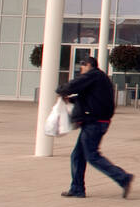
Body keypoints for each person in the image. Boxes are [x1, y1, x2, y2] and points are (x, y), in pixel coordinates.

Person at [55, 57, 133, 199]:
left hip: (94, 122)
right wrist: (71, 99)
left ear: (89, 65)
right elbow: (90, 98)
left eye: (82, 66)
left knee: (92, 156)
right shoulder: (99, 78)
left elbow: (73, 86)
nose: (81, 69)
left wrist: (61, 90)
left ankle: (123, 177)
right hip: (96, 121)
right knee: (77, 155)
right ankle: (77, 188)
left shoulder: (93, 75)